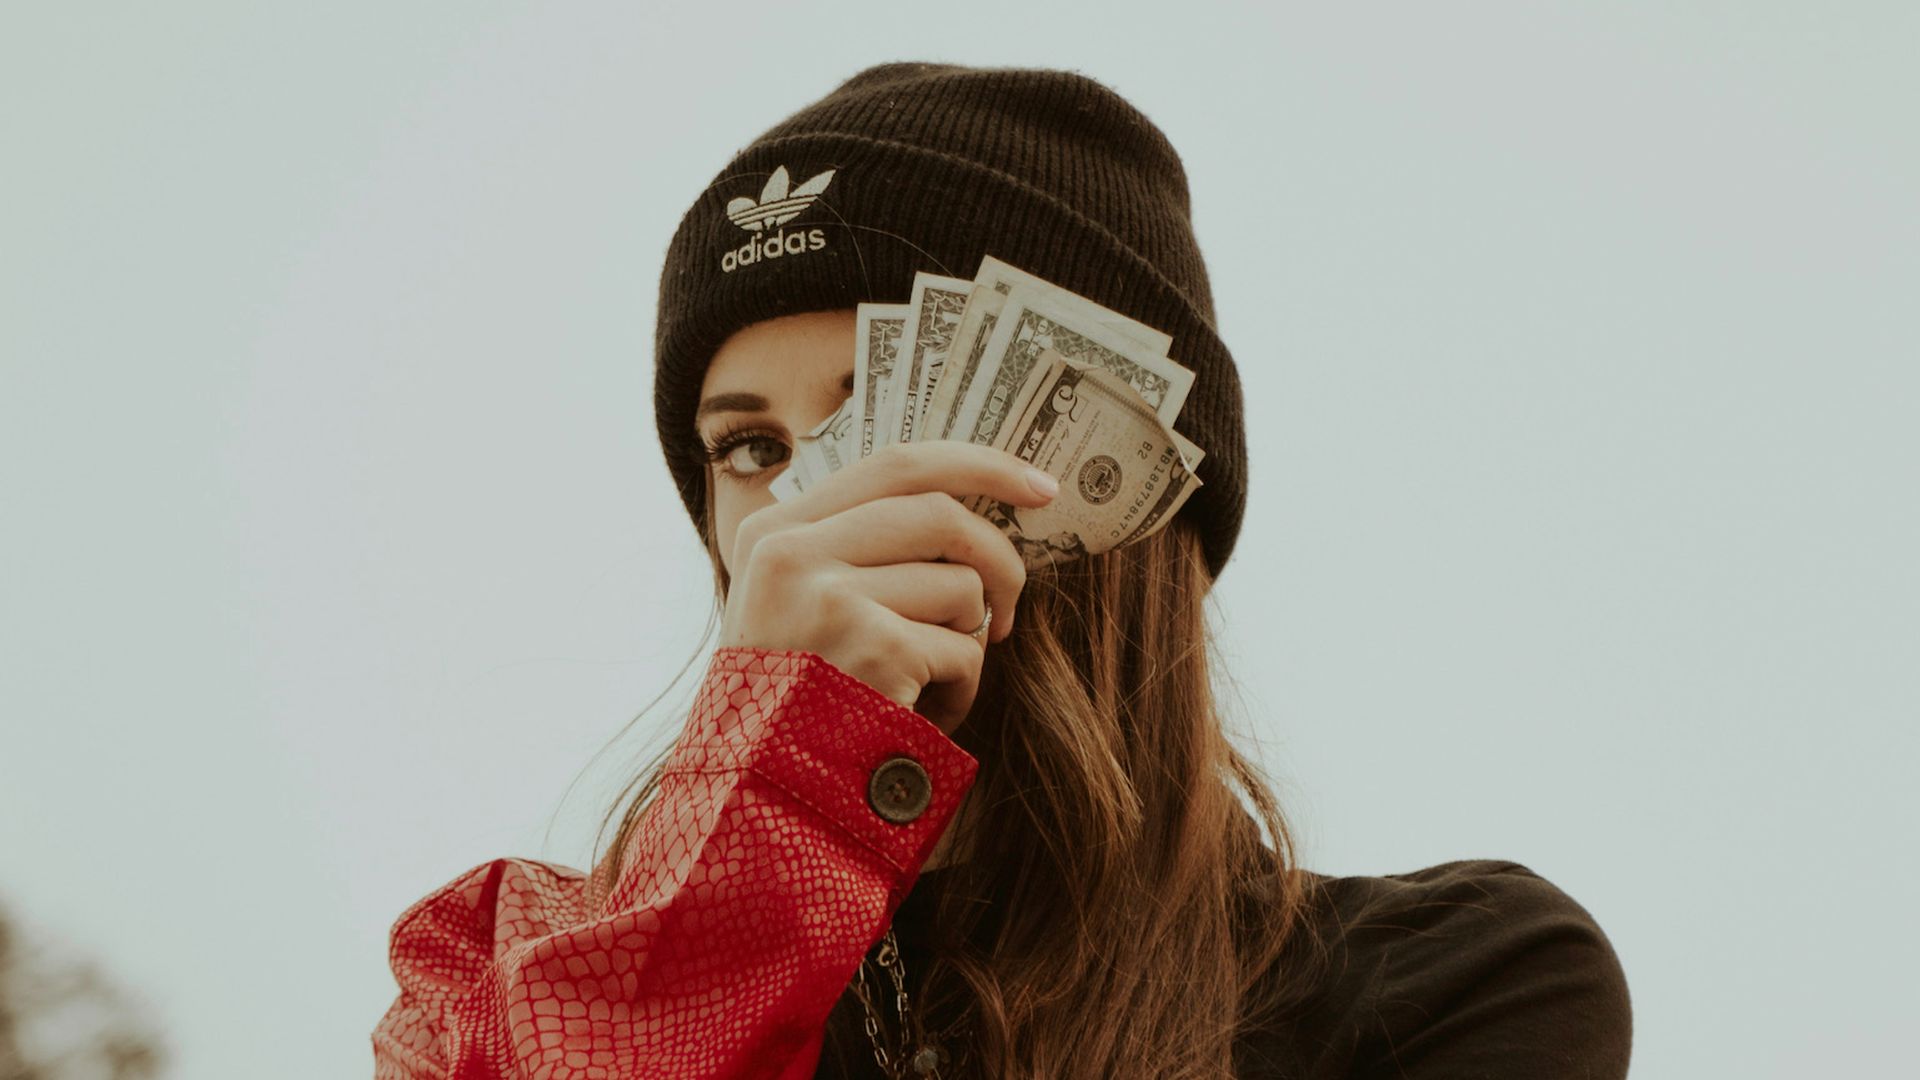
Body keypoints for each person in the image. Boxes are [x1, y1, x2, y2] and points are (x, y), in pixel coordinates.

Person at [371, 63, 1633, 1078]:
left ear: (1104, 474)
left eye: (884, 414)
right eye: (749, 448)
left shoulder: (1456, 980)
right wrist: (768, 807)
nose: (808, 508)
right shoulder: (495, 989)